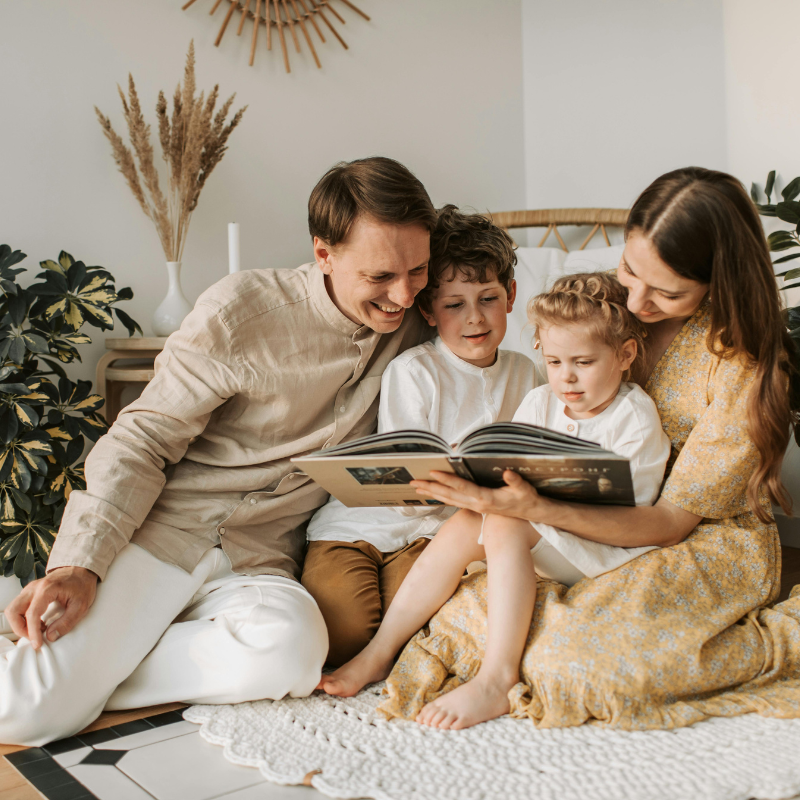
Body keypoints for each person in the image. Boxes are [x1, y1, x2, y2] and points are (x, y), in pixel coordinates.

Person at [0, 156, 437, 747]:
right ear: (324, 254)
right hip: (166, 533)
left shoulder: (421, 322)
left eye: (418, 270)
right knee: (23, 714)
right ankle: (65, 649)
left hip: (260, 559)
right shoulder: (240, 314)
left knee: (293, 655)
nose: (404, 295)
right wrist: (79, 564)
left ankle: (98, 669)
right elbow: (141, 438)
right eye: (381, 276)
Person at [374, 166, 800, 731]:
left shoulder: (740, 367)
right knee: (466, 614)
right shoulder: (604, 302)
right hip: (573, 517)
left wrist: (536, 510)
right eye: (630, 269)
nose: (637, 300)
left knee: (577, 665)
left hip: (688, 535)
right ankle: (493, 664)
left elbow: (671, 522)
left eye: (667, 291)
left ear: (717, 282)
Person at [318, 273, 671, 730]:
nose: (566, 377)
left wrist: (521, 506)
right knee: (468, 519)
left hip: (602, 549)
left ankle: (497, 678)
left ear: (624, 355)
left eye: (584, 362)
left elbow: (629, 516)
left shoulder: (634, 417)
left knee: (503, 521)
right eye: (555, 361)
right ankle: (380, 653)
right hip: (548, 535)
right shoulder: (541, 400)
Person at [302, 206, 536, 667]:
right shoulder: (415, 372)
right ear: (428, 310)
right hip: (360, 528)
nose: (475, 319)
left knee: (418, 622)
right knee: (342, 632)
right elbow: (403, 481)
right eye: (454, 304)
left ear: (510, 296)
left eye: (487, 298)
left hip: (436, 538)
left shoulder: (526, 374)